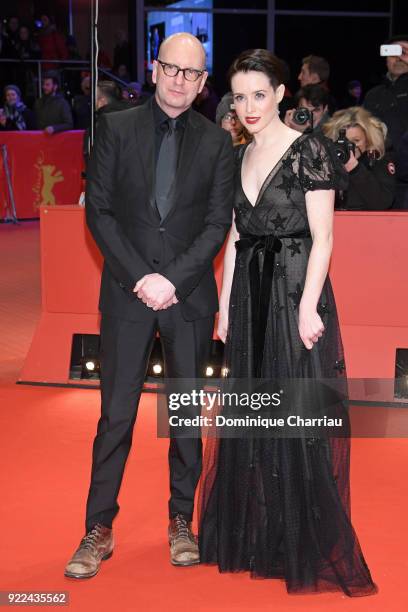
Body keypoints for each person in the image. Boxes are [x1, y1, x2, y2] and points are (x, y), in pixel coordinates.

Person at [198, 48, 377, 597]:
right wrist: (225, 306)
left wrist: (307, 306)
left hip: (296, 292)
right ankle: (257, 531)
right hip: (250, 296)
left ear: (280, 94)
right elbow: (232, 238)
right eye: (240, 96)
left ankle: (298, 536)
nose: (249, 106)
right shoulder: (236, 157)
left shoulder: (310, 152)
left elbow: (324, 236)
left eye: (259, 93)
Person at [64, 32, 233, 579]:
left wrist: (173, 281)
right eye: (172, 69)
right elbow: (101, 213)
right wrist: (142, 277)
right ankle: (98, 528)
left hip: (186, 299)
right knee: (116, 416)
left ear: (204, 83)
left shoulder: (217, 143)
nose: (181, 80)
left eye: (193, 73)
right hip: (126, 295)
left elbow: (215, 224)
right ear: (153, 68)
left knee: (184, 415)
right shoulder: (114, 127)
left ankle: (182, 521)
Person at [323, 107, 395, 210]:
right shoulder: (327, 157)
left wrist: (355, 169)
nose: (350, 146)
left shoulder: (379, 158)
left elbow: (383, 202)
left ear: (368, 139)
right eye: (345, 140)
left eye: (356, 140)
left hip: (370, 222)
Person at [364, 35, 408, 153]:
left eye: (405, 51)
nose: (399, 57)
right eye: (394, 52)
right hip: (380, 166)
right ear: (386, 60)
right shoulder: (372, 95)